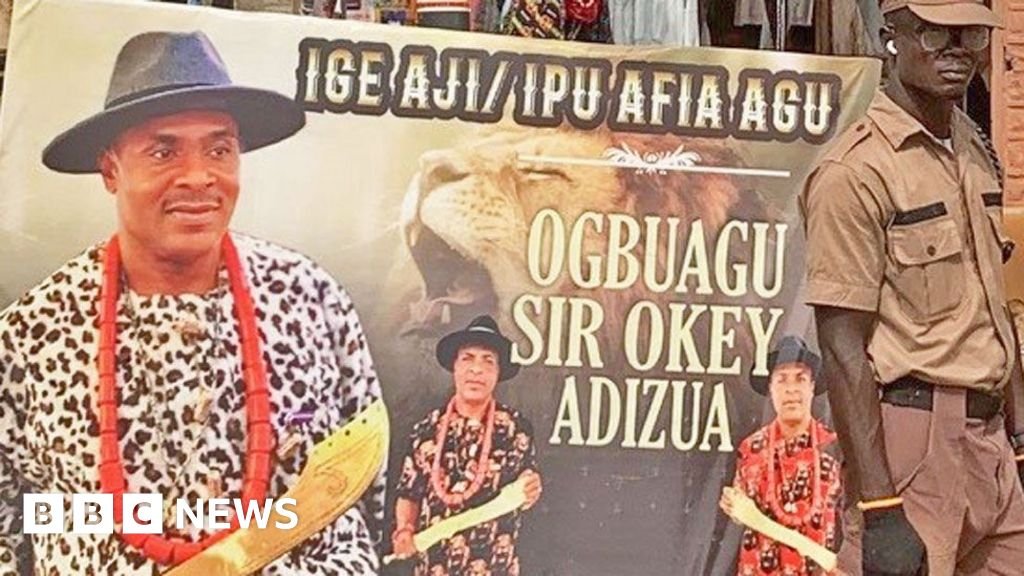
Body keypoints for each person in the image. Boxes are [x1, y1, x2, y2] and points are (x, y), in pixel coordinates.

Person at [0, 30, 384, 574]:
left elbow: (363, 501)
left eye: (219, 149)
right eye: (163, 151)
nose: (200, 177)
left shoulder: (311, 300)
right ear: (111, 170)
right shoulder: (31, 335)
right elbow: (14, 522)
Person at [801, 0, 1024, 574]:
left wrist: (1018, 432)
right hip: (914, 445)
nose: (956, 50)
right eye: (932, 32)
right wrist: (879, 506)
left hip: (991, 445)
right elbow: (843, 348)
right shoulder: (855, 171)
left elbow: (991, 302)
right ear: (890, 37)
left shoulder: (971, 145)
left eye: (970, 34)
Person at [392, 315, 542, 576]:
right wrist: (404, 529)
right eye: (467, 358)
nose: (476, 370)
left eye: (488, 361)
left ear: (498, 372)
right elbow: (409, 493)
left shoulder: (516, 429)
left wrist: (531, 488)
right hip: (433, 567)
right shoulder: (425, 429)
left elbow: (527, 486)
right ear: (455, 366)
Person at [721, 336, 842, 576]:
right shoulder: (750, 449)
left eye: (800, 379)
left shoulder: (834, 449)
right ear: (771, 387)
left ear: (812, 386)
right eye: (782, 379)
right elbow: (741, 511)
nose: (791, 389)